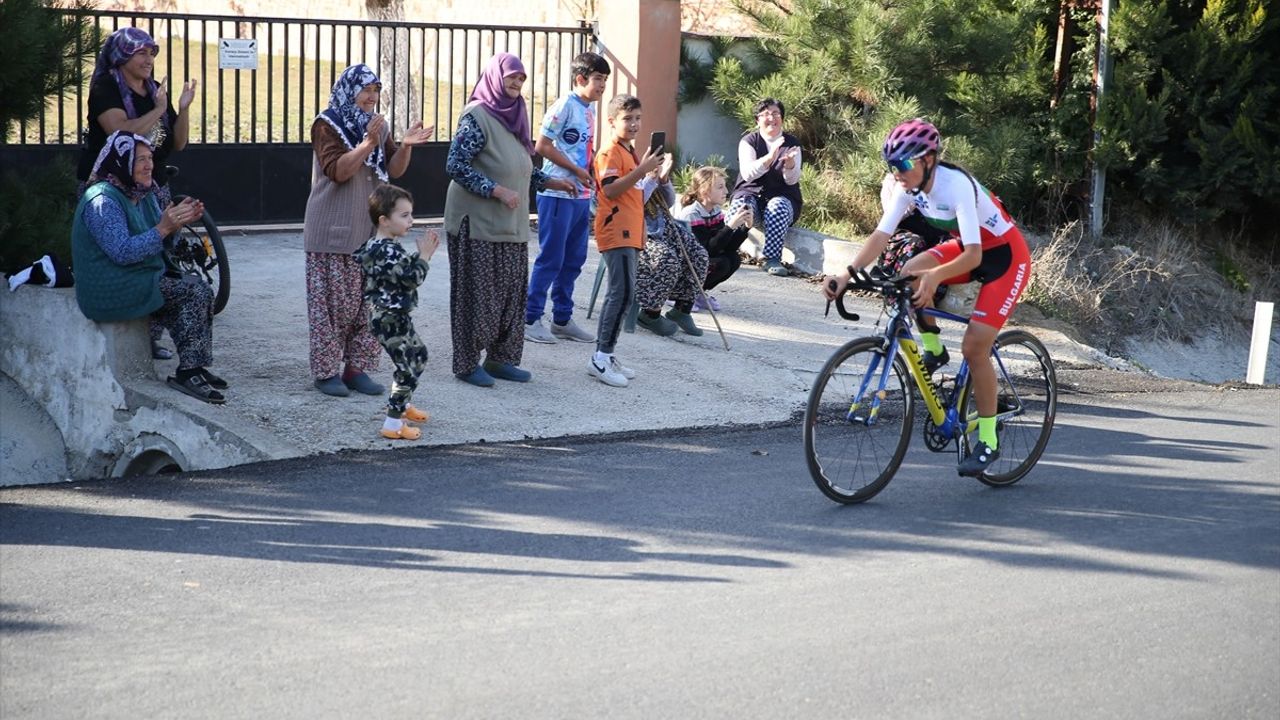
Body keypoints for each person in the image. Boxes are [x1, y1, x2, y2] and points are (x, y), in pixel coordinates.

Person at [822, 119, 1032, 476]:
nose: (897, 173)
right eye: (892, 166)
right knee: (908, 273)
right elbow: (881, 236)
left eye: (903, 165)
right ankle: (934, 350)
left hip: (1004, 259)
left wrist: (935, 276)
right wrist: (847, 272)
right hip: (966, 248)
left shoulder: (956, 186)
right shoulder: (910, 186)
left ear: (928, 159)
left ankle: (988, 439)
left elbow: (975, 257)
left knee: (975, 348)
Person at [444, 53, 576, 388]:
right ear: (495, 77)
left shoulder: (516, 116)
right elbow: (456, 166)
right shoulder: (477, 115)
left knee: (510, 294)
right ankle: (467, 363)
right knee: (477, 295)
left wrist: (550, 182)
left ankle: (502, 359)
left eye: (521, 78)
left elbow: (521, 165)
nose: (516, 83)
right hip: (476, 222)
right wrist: (495, 190)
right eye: (511, 77)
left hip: (511, 224)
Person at [303, 64, 434, 398]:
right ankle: (326, 371)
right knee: (331, 307)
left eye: (376, 91)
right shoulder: (326, 123)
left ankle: (356, 369)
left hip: (369, 232)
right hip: (332, 229)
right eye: (365, 90)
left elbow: (393, 170)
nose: (371, 97)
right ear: (350, 91)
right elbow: (337, 171)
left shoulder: (378, 125)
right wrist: (367, 143)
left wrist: (404, 145)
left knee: (368, 306)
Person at [70, 131, 223, 404]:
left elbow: (163, 242)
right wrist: (164, 227)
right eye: (139, 159)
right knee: (192, 292)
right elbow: (123, 252)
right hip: (111, 287)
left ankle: (196, 365)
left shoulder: (143, 193)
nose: (148, 165)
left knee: (196, 286)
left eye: (150, 157)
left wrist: (176, 223)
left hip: (137, 276)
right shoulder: (102, 201)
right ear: (120, 162)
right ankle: (189, 371)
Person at [76, 27, 197, 362]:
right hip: (112, 187)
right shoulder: (106, 87)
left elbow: (178, 143)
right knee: (125, 254)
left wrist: (182, 109)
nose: (149, 59)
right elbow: (120, 132)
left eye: (153, 52)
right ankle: (121, 324)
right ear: (122, 56)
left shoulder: (154, 90)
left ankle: (151, 336)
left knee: (159, 260)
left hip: (152, 183)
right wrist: (158, 110)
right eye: (142, 52)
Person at [523, 52, 611, 345]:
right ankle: (531, 316)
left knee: (574, 259)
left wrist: (590, 171)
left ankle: (562, 318)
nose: (602, 86)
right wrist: (574, 170)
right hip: (557, 191)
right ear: (581, 78)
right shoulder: (564, 105)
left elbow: (583, 150)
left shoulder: (590, 109)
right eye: (598, 79)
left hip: (580, 195)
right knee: (551, 257)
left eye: (604, 80)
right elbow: (542, 146)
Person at [589, 94, 665, 387]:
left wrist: (652, 176)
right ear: (612, 122)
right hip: (615, 231)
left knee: (626, 294)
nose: (634, 124)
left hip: (631, 232)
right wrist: (640, 171)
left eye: (637, 118)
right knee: (619, 294)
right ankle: (600, 356)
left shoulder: (630, 153)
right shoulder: (610, 152)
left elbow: (635, 192)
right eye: (627, 119)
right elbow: (610, 190)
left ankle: (607, 353)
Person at [354, 184, 439, 441]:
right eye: (404, 216)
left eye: (411, 214)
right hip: (389, 318)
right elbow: (411, 278)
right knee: (407, 367)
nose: (410, 220)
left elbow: (400, 273)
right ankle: (392, 423)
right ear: (384, 220)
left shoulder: (384, 246)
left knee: (418, 356)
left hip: (395, 316)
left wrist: (419, 256)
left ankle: (402, 405)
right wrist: (424, 256)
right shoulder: (386, 250)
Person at [728, 97, 803, 277]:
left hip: (782, 198)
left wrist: (790, 165)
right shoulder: (749, 141)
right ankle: (725, 250)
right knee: (740, 208)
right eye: (766, 114)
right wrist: (769, 158)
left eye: (776, 113)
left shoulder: (792, 144)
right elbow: (747, 174)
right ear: (757, 120)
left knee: (778, 206)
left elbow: (792, 181)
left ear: (782, 118)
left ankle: (771, 258)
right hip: (751, 195)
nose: (772, 118)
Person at [635, 157, 708, 337]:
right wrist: (651, 179)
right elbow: (635, 203)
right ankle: (650, 313)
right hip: (641, 233)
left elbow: (667, 203)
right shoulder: (633, 175)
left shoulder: (650, 176)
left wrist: (664, 179)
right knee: (666, 259)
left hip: (665, 228)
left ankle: (682, 309)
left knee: (699, 255)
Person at [675, 166, 753, 312]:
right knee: (720, 263)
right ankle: (678, 294)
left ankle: (697, 292)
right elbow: (706, 250)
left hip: (700, 260)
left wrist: (745, 227)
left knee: (733, 259)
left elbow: (726, 247)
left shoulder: (715, 211)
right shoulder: (691, 214)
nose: (726, 192)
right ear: (705, 190)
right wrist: (729, 227)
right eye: (720, 187)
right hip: (684, 267)